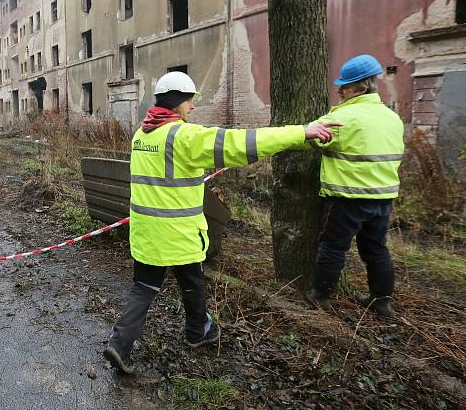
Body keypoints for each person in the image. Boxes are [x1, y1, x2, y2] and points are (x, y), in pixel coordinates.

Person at [103, 71, 340, 374]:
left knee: (145, 287)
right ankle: (197, 331)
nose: (193, 107)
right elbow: (241, 143)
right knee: (192, 281)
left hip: (147, 232)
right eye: (190, 101)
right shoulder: (185, 136)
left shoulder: (142, 134)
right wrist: (302, 132)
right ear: (178, 102)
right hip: (179, 233)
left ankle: (120, 344)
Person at [305, 55, 404, 318]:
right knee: (376, 248)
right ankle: (381, 301)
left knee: (333, 247)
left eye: (345, 87)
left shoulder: (342, 117)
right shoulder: (392, 117)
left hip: (347, 197)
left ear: (361, 87)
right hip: (383, 197)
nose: (340, 91)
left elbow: (315, 139)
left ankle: (320, 296)